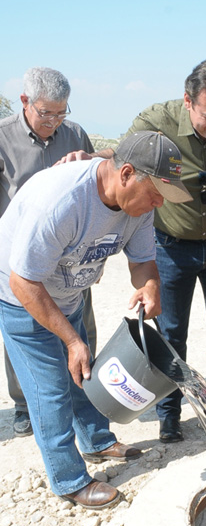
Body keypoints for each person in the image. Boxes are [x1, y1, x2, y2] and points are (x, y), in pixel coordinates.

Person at [61, 57, 206, 442]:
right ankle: (169, 414)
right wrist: (87, 159)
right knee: (170, 332)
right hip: (170, 245)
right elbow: (123, 157)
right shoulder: (158, 119)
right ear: (187, 102)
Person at [0, 131, 189, 509]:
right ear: (127, 173)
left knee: (85, 370)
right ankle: (68, 480)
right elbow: (24, 281)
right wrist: (71, 340)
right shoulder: (61, 202)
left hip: (67, 293)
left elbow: (141, 261)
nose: (158, 204)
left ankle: (97, 442)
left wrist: (150, 285)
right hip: (20, 296)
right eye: (155, 193)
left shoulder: (140, 207)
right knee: (50, 390)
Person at [0, 67, 97, 437]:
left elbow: (99, 172)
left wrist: (88, 156)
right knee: (24, 335)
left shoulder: (74, 135)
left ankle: (81, 400)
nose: (54, 122)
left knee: (81, 330)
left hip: (70, 260)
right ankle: (25, 404)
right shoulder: (3, 137)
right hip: (19, 259)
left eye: (62, 113)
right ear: (25, 102)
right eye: (46, 113)